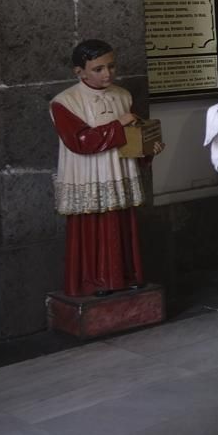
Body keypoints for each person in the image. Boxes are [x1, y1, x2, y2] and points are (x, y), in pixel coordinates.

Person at [49, 40, 165, 296]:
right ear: (79, 71)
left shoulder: (123, 96)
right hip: (89, 173)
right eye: (98, 69)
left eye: (111, 66)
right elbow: (80, 141)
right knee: (93, 227)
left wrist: (147, 149)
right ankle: (95, 281)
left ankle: (126, 276)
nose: (108, 74)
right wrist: (119, 123)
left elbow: (133, 136)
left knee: (123, 225)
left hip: (119, 170)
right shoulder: (65, 102)